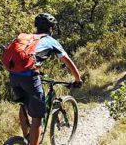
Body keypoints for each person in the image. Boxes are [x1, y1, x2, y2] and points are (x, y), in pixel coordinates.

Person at [7, 13, 82, 145]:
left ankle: (26, 138)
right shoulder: (50, 41)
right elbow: (67, 61)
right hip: (29, 77)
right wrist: (78, 79)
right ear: (51, 28)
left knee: (23, 104)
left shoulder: (28, 38)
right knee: (37, 118)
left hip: (14, 75)